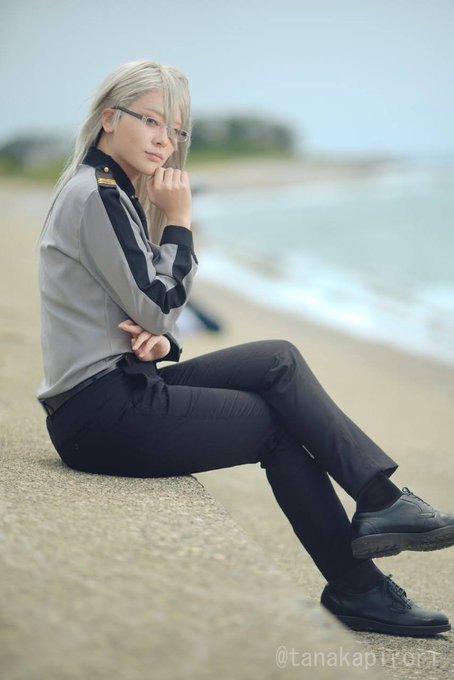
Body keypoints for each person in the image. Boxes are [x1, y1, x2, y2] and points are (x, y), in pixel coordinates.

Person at [37, 60, 454, 637]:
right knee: (276, 427)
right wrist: (181, 222)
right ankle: (359, 587)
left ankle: (380, 500)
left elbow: (147, 312)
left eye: (175, 131)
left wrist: (161, 337)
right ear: (109, 118)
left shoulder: (112, 192)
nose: (164, 141)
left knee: (277, 358)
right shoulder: (98, 194)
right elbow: (158, 301)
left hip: (119, 389)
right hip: (102, 414)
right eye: (151, 121)